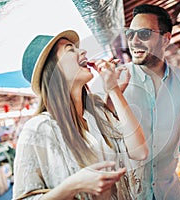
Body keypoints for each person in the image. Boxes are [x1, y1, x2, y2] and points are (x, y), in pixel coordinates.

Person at [12, 30, 148, 200]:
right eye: (70, 50)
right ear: (53, 70)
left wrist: (114, 90)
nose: (83, 51)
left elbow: (140, 152)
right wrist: (72, 186)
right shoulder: (38, 129)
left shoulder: (96, 111)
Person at [99, 4, 180, 200]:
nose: (134, 41)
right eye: (130, 33)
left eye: (143, 34)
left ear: (165, 39)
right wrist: (111, 95)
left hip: (169, 194)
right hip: (127, 196)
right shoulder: (113, 80)